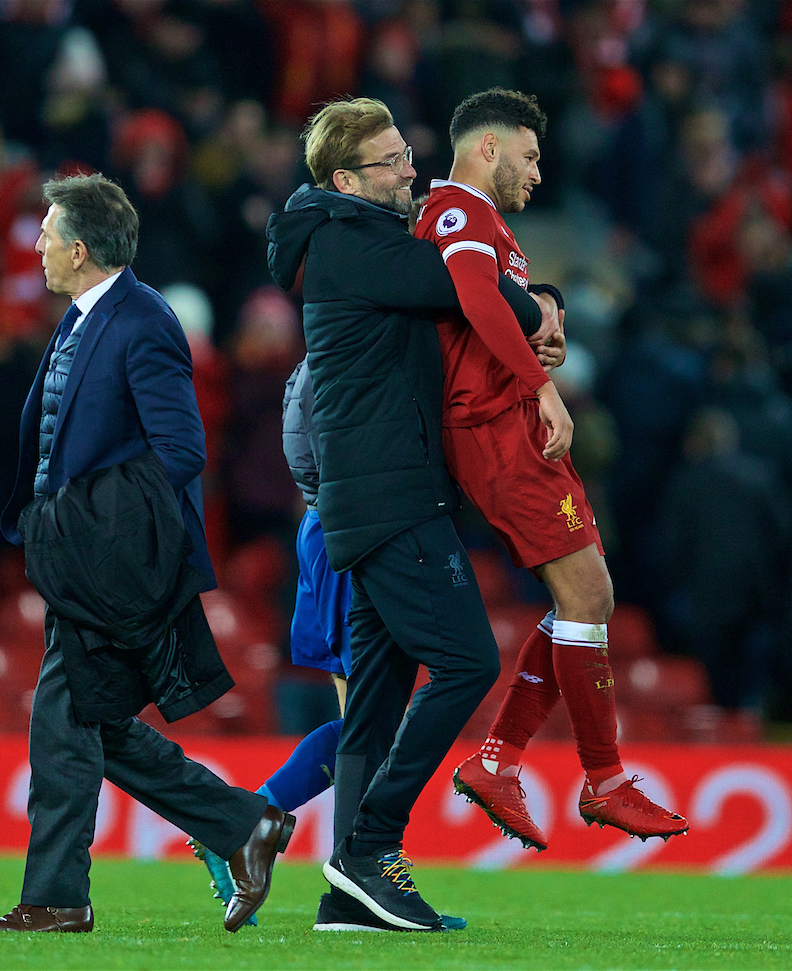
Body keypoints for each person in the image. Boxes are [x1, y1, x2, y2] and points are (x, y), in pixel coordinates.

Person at [0, 173, 292, 936]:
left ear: (79, 248)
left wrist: (87, 520)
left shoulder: (142, 320)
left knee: (62, 720)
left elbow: (182, 448)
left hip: (113, 560)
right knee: (88, 720)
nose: (37, 243)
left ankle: (57, 898)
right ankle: (243, 823)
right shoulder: (87, 319)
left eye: (46, 232)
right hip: (79, 555)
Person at [265, 98, 556, 932]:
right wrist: (541, 306)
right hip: (392, 495)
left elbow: (483, 289)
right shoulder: (352, 245)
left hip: (375, 494)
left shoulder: (346, 242)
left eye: (407, 153)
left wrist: (534, 297)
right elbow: (468, 290)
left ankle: (346, 896)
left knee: (378, 699)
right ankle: (367, 848)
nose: (411, 172)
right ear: (347, 179)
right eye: (392, 162)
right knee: (467, 662)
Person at [413, 88, 688, 849]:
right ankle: (600, 779)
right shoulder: (461, 211)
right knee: (587, 588)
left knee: (586, 592)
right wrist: (541, 386)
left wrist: (541, 316)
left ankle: (503, 760)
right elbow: (471, 292)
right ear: (488, 147)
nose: (538, 173)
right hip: (496, 425)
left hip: (505, 420)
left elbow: (492, 300)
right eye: (530, 156)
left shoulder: (484, 222)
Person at [190, 358, 469, 932]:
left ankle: (314, 860)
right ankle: (270, 839)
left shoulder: (320, 356)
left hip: (337, 531)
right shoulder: (348, 360)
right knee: (367, 725)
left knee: (368, 725)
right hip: (351, 535)